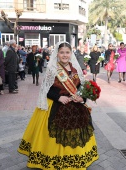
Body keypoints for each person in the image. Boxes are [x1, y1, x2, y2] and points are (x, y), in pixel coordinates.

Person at [18, 42, 99, 170]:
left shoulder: (75, 69)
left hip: (75, 106)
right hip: (56, 105)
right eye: (62, 52)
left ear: (71, 54)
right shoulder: (53, 69)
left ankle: (76, 159)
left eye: (67, 52)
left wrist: (81, 97)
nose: (65, 55)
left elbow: (81, 87)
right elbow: (46, 89)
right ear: (57, 53)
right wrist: (58, 97)